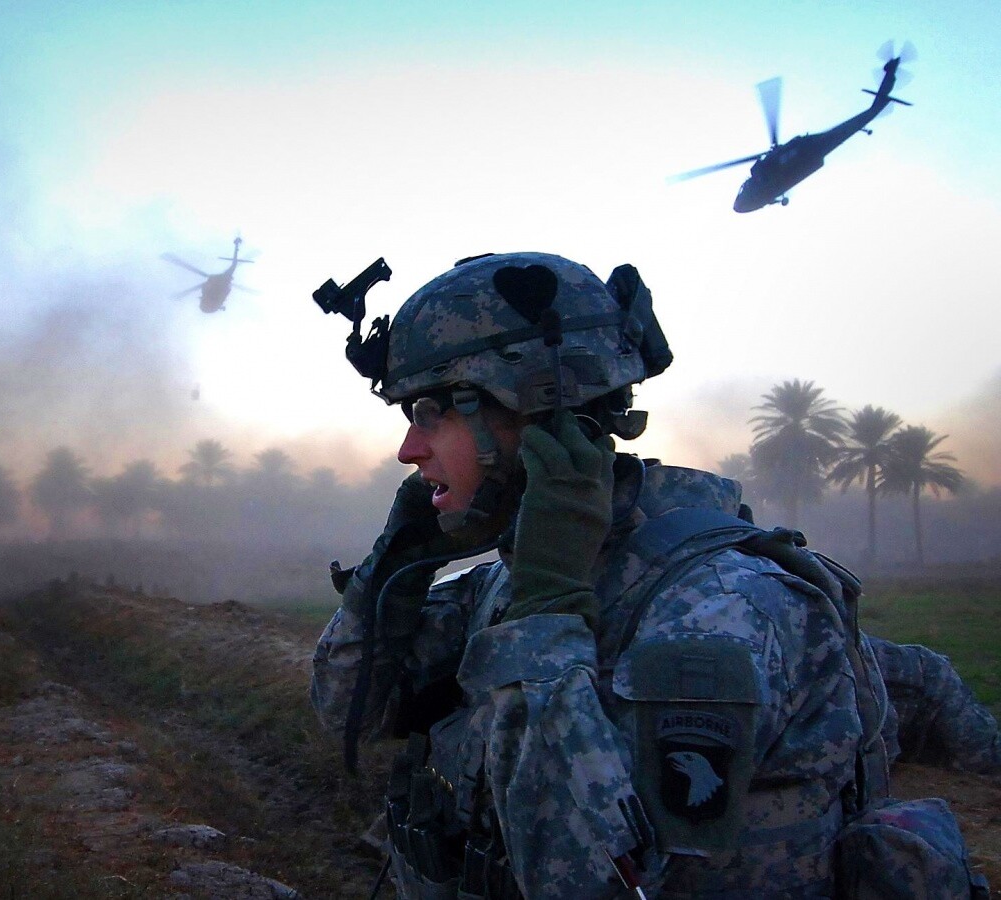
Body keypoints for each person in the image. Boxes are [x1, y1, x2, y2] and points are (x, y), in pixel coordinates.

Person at [309, 252, 990, 898]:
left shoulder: (717, 611)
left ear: (542, 417)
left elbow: (592, 884)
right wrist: (393, 565)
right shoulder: (513, 585)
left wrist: (548, 619)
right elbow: (350, 710)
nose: (408, 450)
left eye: (431, 413)